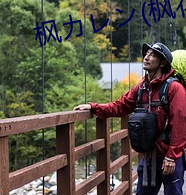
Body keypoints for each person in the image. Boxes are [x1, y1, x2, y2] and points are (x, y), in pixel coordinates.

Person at [73, 42, 186, 195]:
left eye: (152, 55)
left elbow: (180, 123)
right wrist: (93, 107)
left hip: (169, 156)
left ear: (163, 63)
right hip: (149, 156)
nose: (146, 57)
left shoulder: (174, 88)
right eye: (146, 54)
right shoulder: (141, 88)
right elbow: (120, 106)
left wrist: (172, 157)